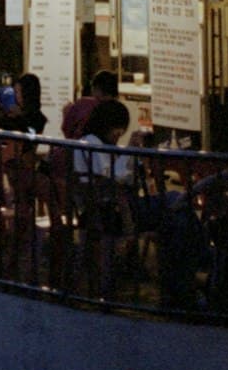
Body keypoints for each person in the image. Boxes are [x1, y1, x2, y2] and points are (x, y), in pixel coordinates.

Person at [73, 99, 206, 308]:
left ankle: (187, 273)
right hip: (112, 212)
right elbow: (114, 177)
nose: (119, 134)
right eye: (118, 129)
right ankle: (197, 262)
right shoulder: (91, 144)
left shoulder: (92, 144)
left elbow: (116, 175)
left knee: (178, 215)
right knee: (175, 202)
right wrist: (129, 150)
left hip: (112, 209)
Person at [60, 69, 120, 140]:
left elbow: (66, 129)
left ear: (95, 88)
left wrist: (66, 114)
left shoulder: (83, 104)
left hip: (80, 147)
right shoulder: (119, 110)